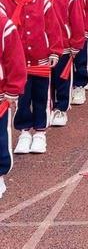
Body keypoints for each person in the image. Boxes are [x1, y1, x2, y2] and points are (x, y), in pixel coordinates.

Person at [0, 0, 63, 154]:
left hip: (41, 60)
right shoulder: (5, 4)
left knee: (41, 96)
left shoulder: (43, 2)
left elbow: (53, 28)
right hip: (18, 64)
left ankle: (40, 133)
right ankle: (24, 132)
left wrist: (54, 50)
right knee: (21, 98)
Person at [41, 0, 85, 126]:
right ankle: (48, 108)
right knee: (45, 80)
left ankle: (61, 109)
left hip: (64, 46)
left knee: (62, 78)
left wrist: (76, 43)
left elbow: (77, 21)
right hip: (43, 47)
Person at [0, 15, 27, 198]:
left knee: (0, 135)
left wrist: (13, 88)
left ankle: (0, 174)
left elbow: (15, 57)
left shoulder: (3, 24)